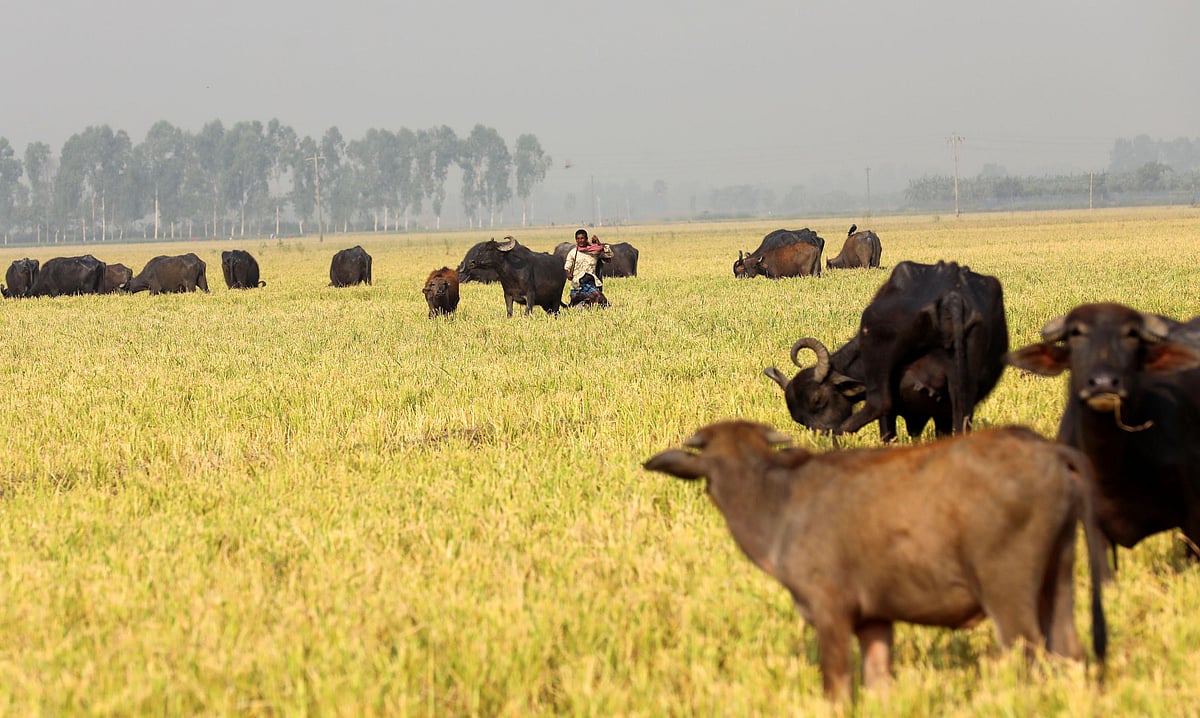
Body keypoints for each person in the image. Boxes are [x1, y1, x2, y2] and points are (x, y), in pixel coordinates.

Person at [564, 229, 613, 307]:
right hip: (578, 284)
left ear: (586, 239)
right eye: (578, 239)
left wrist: (599, 244)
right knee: (593, 301)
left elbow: (608, 256)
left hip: (592, 282)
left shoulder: (595, 251)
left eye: (582, 238)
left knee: (601, 300)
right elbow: (567, 267)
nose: (580, 240)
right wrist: (568, 274)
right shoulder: (573, 253)